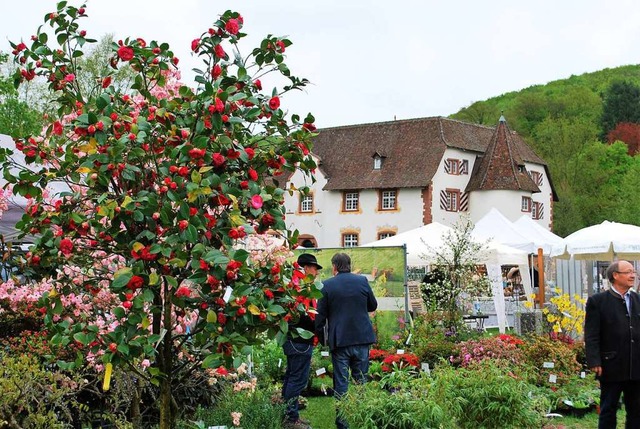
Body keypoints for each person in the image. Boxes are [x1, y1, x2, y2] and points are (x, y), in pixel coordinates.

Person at [315, 253, 378, 429]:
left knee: (341, 383)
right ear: (349, 265)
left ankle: (343, 423)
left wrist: (321, 339)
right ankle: (361, 419)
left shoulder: (326, 285)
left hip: (340, 341)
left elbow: (320, 317)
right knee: (360, 381)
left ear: (334, 267)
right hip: (362, 338)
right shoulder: (362, 281)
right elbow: (372, 306)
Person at [585, 260, 640, 429]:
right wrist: (594, 360)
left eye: (634, 272)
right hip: (611, 364)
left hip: (636, 364)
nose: (633, 275)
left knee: (637, 410)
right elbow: (591, 334)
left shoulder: (637, 299)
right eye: (628, 272)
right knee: (608, 408)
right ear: (615, 276)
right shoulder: (598, 301)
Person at [282, 253, 322, 429]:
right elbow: (302, 316)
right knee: (297, 379)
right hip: (299, 340)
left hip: (295, 341)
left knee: (292, 377)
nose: (317, 273)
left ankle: (289, 415)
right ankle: (291, 419)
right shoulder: (300, 288)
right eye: (315, 268)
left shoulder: (296, 286)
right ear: (305, 268)